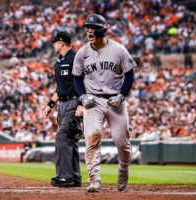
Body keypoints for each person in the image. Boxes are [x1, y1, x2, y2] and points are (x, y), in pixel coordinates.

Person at [72, 14, 136, 193]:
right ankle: (94, 179)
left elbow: (129, 75)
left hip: (115, 100)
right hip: (93, 101)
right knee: (92, 137)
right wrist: (82, 97)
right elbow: (77, 79)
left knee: (121, 141)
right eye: (87, 28)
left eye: (93, 27)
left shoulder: (119, 50)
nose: (89, 31)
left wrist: (122, 96)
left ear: (103, 29)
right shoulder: (82, 53)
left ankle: (123, 169)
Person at [42, 31, 82, 187]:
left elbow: (83, 83)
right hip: (62, 104)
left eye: (55, 42)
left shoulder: (76, 58)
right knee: (69, 139)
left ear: (62, 42)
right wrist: (49, 105)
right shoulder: (58, 62)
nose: (53, 44)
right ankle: (75, 176)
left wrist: (81, 104)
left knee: (62, 137)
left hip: (74, 102)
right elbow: (60, 88)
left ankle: (65, 176)